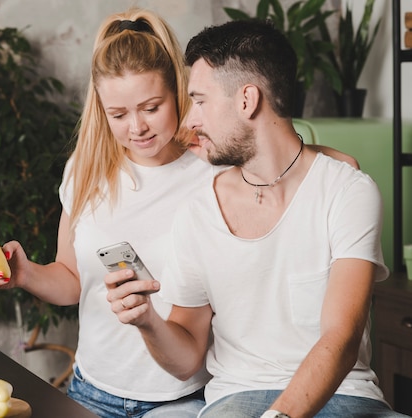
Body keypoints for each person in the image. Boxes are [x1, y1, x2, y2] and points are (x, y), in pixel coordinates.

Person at [0, 10, 360, 418]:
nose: (136, 127)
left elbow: (337, 165)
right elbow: (72, 280)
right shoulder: (85, 170)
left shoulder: (215, 165)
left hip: (183, 398)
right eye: (118, 115)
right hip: (91, 389)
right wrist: (25, 274)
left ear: (178, 92)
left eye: (151, 107)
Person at [104, 19, 409, 418]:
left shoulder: (346, 190)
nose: (190, 121)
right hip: (238, 397)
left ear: (247, 100)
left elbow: (342, 337)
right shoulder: (198, 211)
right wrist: (146, 319)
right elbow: (186, 357)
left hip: (346, 393)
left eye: (199, 100)